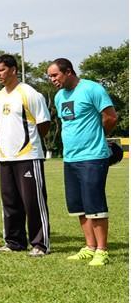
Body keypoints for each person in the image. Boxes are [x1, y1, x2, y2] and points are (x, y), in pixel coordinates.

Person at [48, 58, 118, 266]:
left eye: (55, 75)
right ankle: (89, 247)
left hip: (93, 156)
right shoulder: (60, 96)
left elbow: (111, 117)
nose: (52, 80)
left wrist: (98, 137)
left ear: (68, 72)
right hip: (70, 158)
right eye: (50, 76)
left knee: (95, 205)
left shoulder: (92, 89)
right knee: (79, 207)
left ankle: (102, 250)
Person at [0, 54, 51, 257]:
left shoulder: (29, 93)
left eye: (2, 69)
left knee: (33, 202)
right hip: (5, 158)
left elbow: (44, 123)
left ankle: (40, 244)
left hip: (28, 157)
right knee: (9, 201)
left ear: (14, 70)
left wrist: (31, 145)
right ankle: (14, 241)